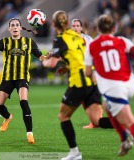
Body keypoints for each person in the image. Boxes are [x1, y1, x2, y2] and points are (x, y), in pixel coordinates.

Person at [85, 14, 134, 159]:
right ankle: (125, 140)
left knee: (129, 121)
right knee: (107, 107)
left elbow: (88, 72)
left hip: (114, 89)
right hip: (130, 85)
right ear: (114, 28)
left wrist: (95, 75)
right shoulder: (123, 41)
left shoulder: (92, 46)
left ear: (98, 29)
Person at [42, 10, 98, 160]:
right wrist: (66, 66)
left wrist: (44, 60)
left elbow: (50, 63)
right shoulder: (79, 37)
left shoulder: (59, 39)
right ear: (68, 24)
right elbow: (79, 58)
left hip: (78, 82)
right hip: (91, 80)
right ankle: (131, 131)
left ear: (53, 24)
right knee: (97, 121)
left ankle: (74, 153)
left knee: (63, 116)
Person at [0, 18, 47, 144]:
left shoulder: (29, 42)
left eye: (17, 25)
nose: (14, 27)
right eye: (12, 25)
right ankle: (8, 117)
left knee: (23, 102)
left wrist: (47, 57)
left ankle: (29, 133)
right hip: (7, 78)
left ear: (20, 28)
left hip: (22, 77)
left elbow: (41, 57)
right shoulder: (4, 42)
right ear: (9, 29)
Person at [56, 18, 113, 129]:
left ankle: (99, 118)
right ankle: (96, 120)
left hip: (89, 71)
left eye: (77, 25)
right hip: (77, 72)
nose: (75, 27)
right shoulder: (69, 39)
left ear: (81, 28)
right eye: (73, 25)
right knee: (85, 97)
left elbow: (93, 54)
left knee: (91, 95)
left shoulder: (87, 39)